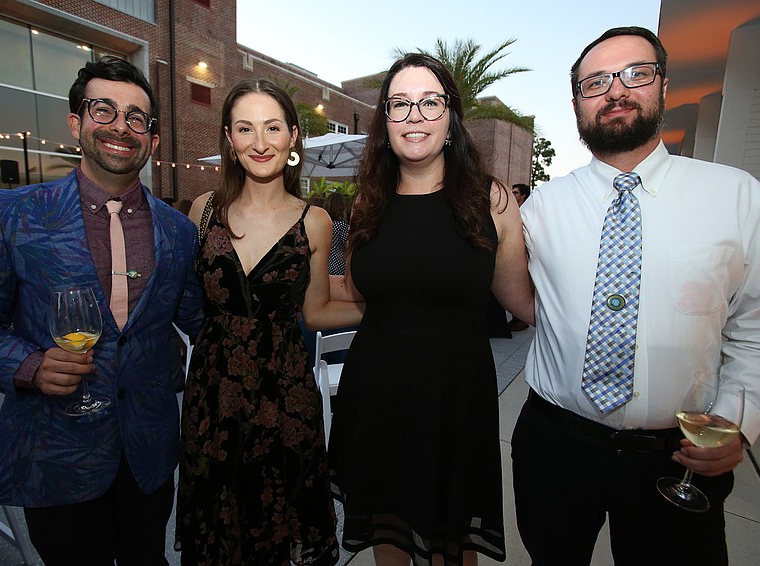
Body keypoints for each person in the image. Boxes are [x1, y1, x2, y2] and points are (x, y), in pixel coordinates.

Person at [513, 26, 760, 565]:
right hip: (556, 447)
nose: (615, 90)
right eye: (595, 82)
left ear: (662, 86)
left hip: (677, 458)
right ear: (576, 105)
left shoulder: (736, 198)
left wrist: (737, 423)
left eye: (635, 73)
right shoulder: (540, 207)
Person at [0, 56, 203, 565]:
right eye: (105, 110)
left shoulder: (179, 231)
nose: (121, 127)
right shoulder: (12, 214)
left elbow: (199, 320)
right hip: (54, 451)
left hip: (147, 452)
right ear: (77, 123)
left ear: (153, 140)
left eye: (136, 118)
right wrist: (30, 365)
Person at [327, 53, 534, 566]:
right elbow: (357, 289)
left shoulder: (491, 201)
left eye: (429, 102)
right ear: (385, 121)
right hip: (376, 392)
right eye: (400, 104)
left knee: (451, 541)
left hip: (454, 397)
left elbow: (524, 303)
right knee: (388, 531)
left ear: (451, 117)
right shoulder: (366, 201)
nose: (414, 115)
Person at [176, 78, 363, 565]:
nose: (259, 143)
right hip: (213, 393)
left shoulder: (315, 220)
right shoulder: (202, 212)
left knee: (278, 521)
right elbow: (187, 301)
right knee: (219, 522)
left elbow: (317, 311)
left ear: (293, 137)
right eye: (245, 128)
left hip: (285, 393)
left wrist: (388, 309)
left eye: (272, 128)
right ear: (230, 139)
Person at [507, 183, 531, 331]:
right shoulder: (514, 210)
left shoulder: (527, 212)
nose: (512, 194)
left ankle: (521, 319)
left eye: (515, 193)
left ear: (523, 195)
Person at [323, 191, 349, 275]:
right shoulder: (341, 225)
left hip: (325, 263)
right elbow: (347, 244)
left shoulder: (324, 223)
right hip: (339, 263)